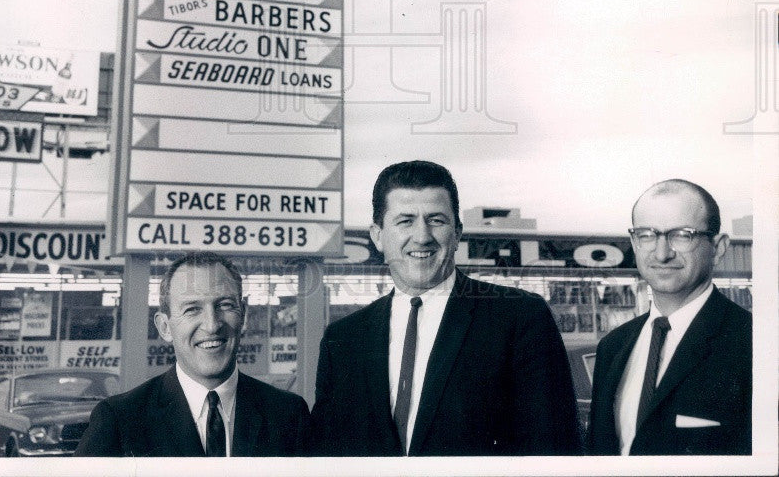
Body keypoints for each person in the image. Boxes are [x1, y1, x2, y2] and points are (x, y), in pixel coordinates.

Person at [309, 160, 581, 456]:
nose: (422, 236)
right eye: (405, 221)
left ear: (457, 233)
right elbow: (327, 457)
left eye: (436, 220)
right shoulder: (344, 339)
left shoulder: (519, 318)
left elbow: (555, 450)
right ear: (378, 236)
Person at [76, 252, 310, 456]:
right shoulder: (120, 420)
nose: (211, 325)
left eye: (225, 305)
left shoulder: (289, 415)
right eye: (192, 309)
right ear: (165, 327)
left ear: (244, 317)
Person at [587, 178, 752, 455]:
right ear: (634, 242)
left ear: (719, 248)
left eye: (682, 235)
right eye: (647, 235)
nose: (662, 253)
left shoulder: (756, 345)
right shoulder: (612, 347)